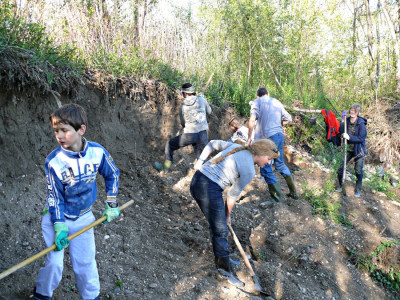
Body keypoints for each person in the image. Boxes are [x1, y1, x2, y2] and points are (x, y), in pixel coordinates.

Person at [34, 104, 120, 300]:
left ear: (81, 129)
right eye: (56, 130)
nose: (60, 136)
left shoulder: (97, 152)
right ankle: (41, 295)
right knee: (55, 264)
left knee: (85, 263)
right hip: (57, 219)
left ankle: (91, 297)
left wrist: (111, 204)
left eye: (65, 130)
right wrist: (59, 226)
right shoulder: (54, 161)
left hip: (84, 218)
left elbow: (112, 174)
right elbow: (54, 196)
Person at [190, 139, 280, 286]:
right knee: (220, 229)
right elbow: (232, 194)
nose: (269, 163)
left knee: (217, 226)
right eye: (269, 159)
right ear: (261, 153)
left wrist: (200, 161)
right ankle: (224, 272)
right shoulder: (249, 170)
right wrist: (227, 215)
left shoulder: (237, 147)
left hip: (198, 181)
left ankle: (223, 257)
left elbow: (212, 143)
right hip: (208, 188)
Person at [246, 87, 299, 201]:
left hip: (267, 139)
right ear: (267, 94)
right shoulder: (277, 102)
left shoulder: (257, 102)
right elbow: (289, 119)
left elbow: (252, 120)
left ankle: (276, 199)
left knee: (265, 166)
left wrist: (249, 138)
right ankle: (294, 192)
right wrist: (279, 124)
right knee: (279, 164)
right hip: (279, 136)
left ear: (258, 95)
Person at [154, 82, 212, 172]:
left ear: (185, 93)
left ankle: (166, 168)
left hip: (190, 135)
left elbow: (183, 123)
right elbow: (209, 111)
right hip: (203, 134)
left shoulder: (183, 106)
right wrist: (204, 101)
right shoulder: (201, 100)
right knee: (202, 159)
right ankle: (207, 175)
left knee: (170, 144)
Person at [337, 103, 367, 197]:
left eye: (354, 110)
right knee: (340, 168)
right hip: (348, 148)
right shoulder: (347, 120)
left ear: (357, 112)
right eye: (351, 110)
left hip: (358, 150)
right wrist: (342, 120)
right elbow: (341, 131)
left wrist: (349, 137)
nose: (352, 112)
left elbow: (361, 138)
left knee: (358, 170)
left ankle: (358, 189)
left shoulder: (361, 124)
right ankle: (341, 185)